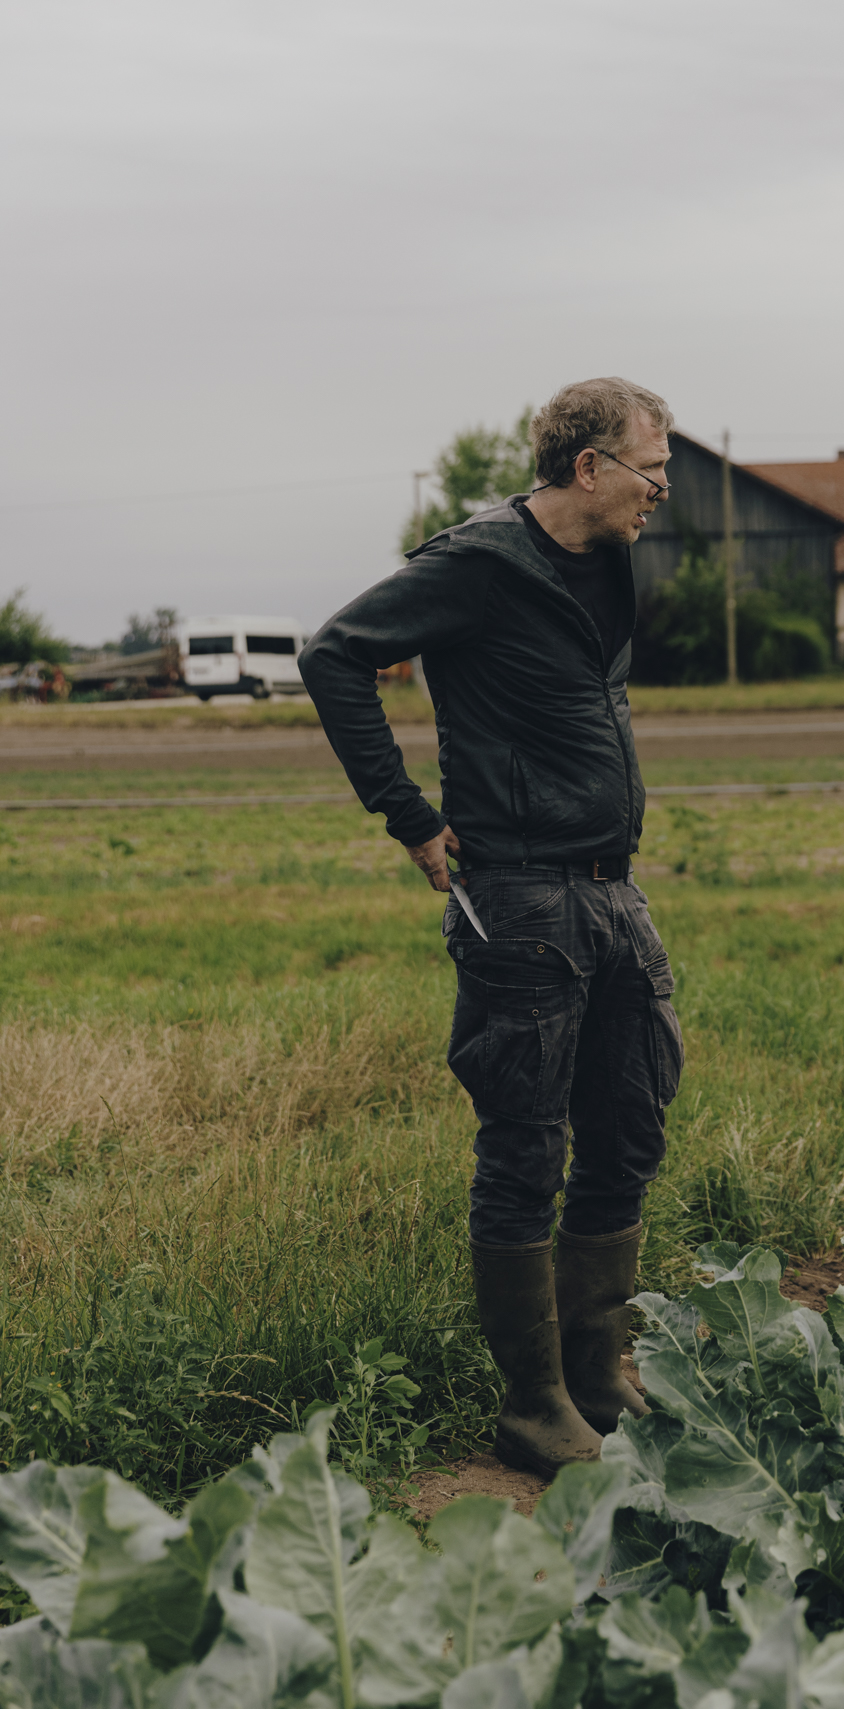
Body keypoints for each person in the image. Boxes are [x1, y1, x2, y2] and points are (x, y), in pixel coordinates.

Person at [299, 377, 684, 1477]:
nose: (660, 490)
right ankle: (533, 1406)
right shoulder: (476, 565)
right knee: (525, 1147)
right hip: (519, 900)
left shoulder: (609, 561)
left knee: (629, 1124)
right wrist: (410, 817)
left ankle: (598, 1372)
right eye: (650, 468)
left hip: (613, 890)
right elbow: (334, 656)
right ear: (588, 468)